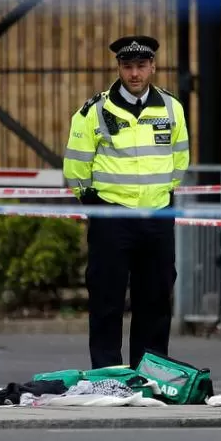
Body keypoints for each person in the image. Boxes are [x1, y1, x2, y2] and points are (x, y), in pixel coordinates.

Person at [62, 35, 190, 369]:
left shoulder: (172, 108)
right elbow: (76, 165)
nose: (135, 74)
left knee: (156, 300)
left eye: (141, 66)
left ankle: (149, 374)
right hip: (111, 216)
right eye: (128, 66)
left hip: (157, 215)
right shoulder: (95, 111)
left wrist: (160, 195)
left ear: (153, 67)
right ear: (119, 67)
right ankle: (108, 373)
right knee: (107, 300)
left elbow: (180, 161)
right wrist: (94, 204)